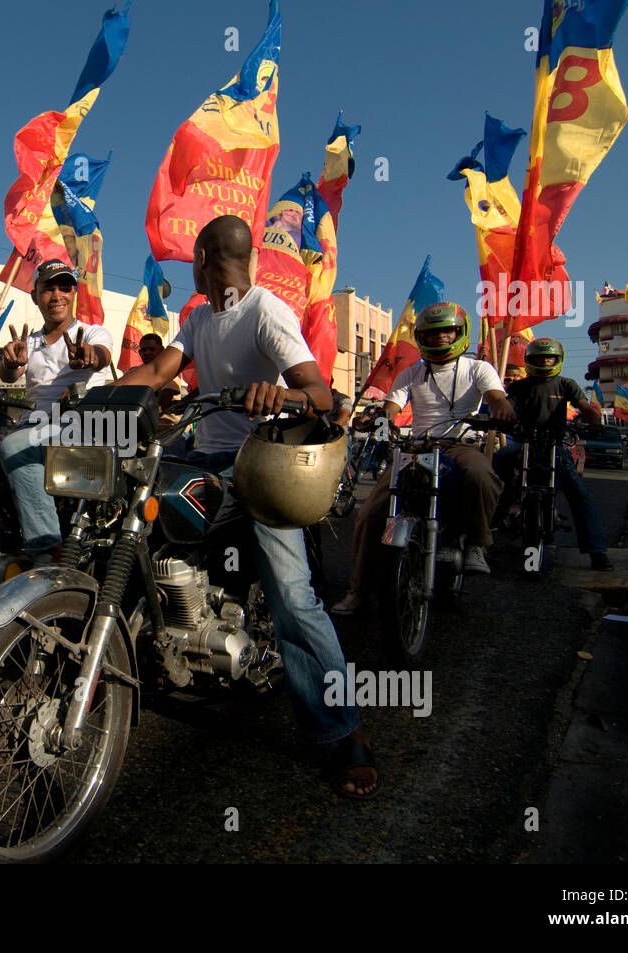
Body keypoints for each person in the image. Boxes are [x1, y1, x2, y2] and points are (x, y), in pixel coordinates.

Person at [118, 214, 379, 799]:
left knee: (293, 598)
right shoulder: (198, 319)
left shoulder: (266, 312)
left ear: (204, 260)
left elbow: (319, 394)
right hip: (205, 458)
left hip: (259, 463)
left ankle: (345, 728)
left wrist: (278, 393)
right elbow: (159, 371)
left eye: (194, 259)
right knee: (127, 517)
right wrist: (96, 398)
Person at [331, 302, 516, 616]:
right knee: (369, 514)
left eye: (448, 331)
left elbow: (495, 396)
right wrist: (380, 419)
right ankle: (358, 589)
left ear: (460, 333)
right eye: (433, 333)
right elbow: (391, 406)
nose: (441, 337)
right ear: (421, 337)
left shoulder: (478, 369)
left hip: (461, 444)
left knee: (482, 475)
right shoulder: (411, 373)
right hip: (417, 447)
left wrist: (501, 407)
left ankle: (477, 542)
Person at [0, 259, 113, 560]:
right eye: (48, 288)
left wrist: (88, 357)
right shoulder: (28, 343)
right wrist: (10, 364)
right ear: (35, 295)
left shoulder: (92, 333)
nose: (57, 295)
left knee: (13, 446)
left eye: (65, 287)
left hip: (77, 427)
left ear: (74, 293)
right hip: (32, 428)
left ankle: (47, 551)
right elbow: (8, 376)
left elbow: (101, 355)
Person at [494, 338, 613, 571]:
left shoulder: (566, 384)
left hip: (555, 445)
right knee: (498, 465)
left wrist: (594, 420)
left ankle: (597, 551)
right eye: (539, 358)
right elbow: (506, 406)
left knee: (579, 493)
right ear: (529, 360)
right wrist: (499, 415)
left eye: (549, 358)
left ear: (558, 360)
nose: (545, 361)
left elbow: (584, 406)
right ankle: (491, 525)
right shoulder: (519, 387)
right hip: (523, 442)